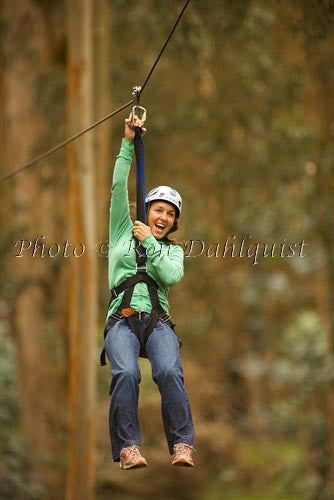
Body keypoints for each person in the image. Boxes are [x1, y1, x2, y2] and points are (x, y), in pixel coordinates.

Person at [103, 116, 195, 470]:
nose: (163, 217)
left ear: (173, 223)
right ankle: (128, 448)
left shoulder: (172, 251)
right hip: (122, 321)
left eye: (170, 215)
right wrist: (128, 143)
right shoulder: (123, 230)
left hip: (157, 324)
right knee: (126, 373)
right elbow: (117, 187)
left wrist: (151, 244)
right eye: (158, 209)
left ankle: (183, 444)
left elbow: (170, 275)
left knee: (170, 371)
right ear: (146, 210)